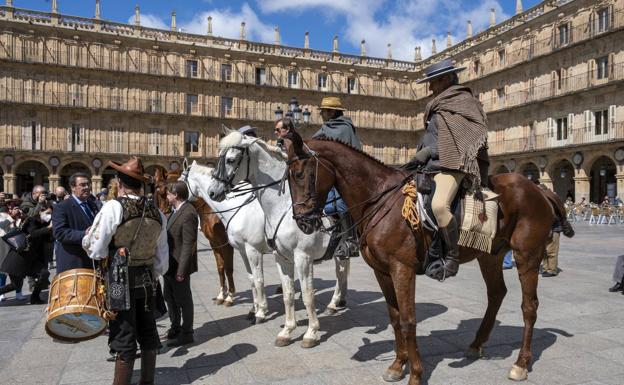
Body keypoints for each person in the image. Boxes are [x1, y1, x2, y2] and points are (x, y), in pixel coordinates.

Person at [83, 156, 168, 385]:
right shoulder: (157, 212)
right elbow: (162, 258)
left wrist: (89, 238)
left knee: (124, 336)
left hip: (120, 282)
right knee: (149, 332)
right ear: (141, 185)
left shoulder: (113, 207)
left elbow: (96, 249)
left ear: (119, 183)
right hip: (149, 280)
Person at [404, 58, 489, 281]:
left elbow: (465, 137)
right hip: (431, 165)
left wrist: (429, 152)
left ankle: (452, 256)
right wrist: (421, 155)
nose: (430, 87)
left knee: (440, 205)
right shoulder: (438, 104)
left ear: (446, 79)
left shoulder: (464, 102)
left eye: (433, 82)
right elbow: (437, 135)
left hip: (453, 165)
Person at [312, 96, 362, 259]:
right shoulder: (326, 127)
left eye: (324, 111)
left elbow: (354, 150)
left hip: (345, 175)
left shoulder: (345, 128)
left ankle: (351, 242)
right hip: (330, 175)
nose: (321, 114)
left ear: (332, 112)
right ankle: (338, 238)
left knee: (341, 205)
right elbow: (313, 142)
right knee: (330, 207)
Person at [163, 181, 198, 346]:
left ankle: (187, 332)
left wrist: (182, 270)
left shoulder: (188, 213)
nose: (166, 197)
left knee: (184, 300)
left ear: (175, 195)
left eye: (168, 194)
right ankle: (175, 326)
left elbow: (188, 244)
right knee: (169, 297)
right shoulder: (176, 210)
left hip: (179, 266)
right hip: (170, 264)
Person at [52, 173, 99, 273]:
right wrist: (84, 234)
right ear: (73, 187)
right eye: (82, 185)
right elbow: (59, 232)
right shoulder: (62, 207)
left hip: (92, 262)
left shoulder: (92, 205)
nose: (87, 187)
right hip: (74, 263)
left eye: (88, 184)